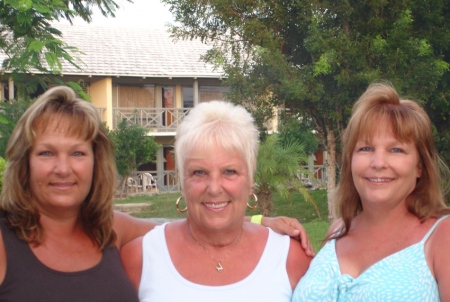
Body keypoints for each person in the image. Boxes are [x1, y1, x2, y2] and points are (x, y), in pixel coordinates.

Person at [0, 86, 312, 301]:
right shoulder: (5, 240)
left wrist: (258, 220)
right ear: (24, 161)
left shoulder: (110, 228)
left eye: (78, 153)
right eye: (46, 154)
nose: (63, 168)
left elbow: (194, 226)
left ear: (96, 162)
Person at [120, 100, 312, 301]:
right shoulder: (140, 258)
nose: (213, 188)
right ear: (181, 180)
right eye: (199, 172)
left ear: (251, 179)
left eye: (229, 172)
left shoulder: (290, 258)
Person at [292, 83, 450, 301]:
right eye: (365, 148)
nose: (378, 163)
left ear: (420, 166)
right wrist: (262, 221)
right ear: (350, 161)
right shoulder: (338, 230)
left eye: (396, 150)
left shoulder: (442, 236)